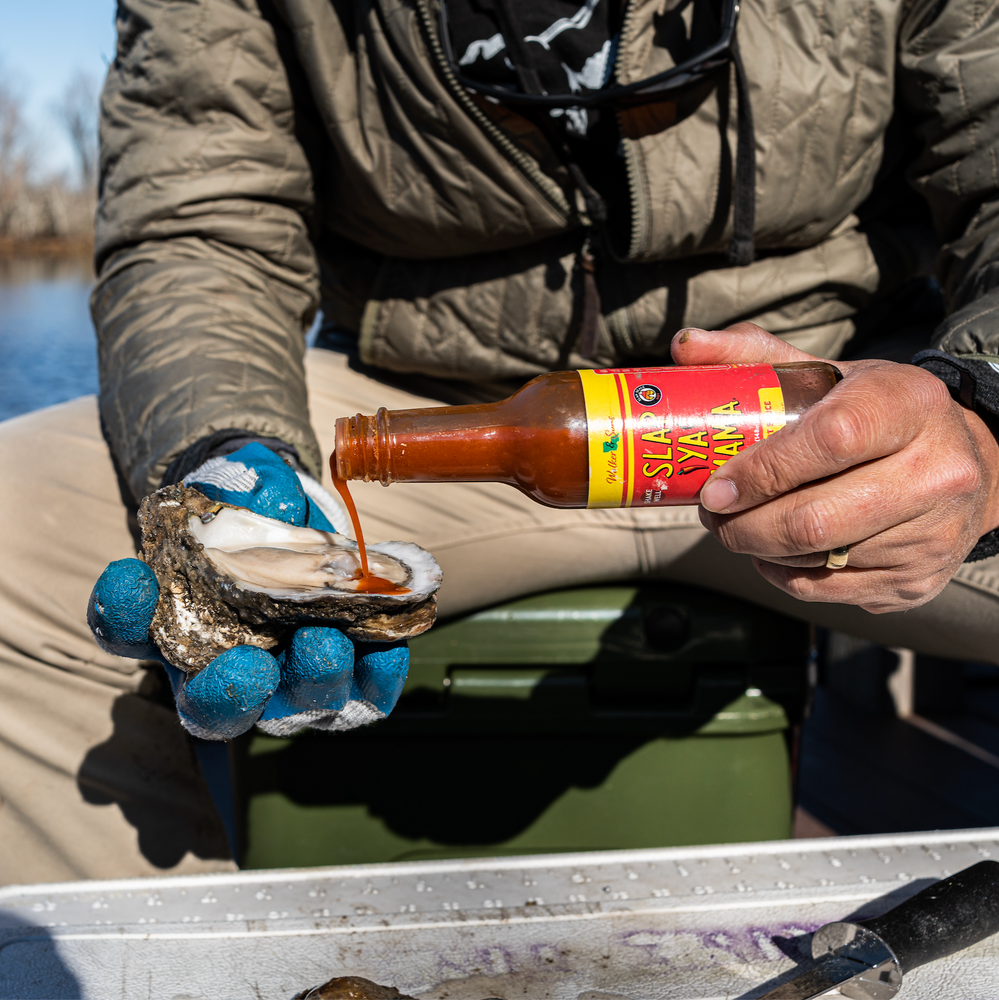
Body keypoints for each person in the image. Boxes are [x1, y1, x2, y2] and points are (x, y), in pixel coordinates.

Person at [1, 0, 998, 884]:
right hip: (436, 397)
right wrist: (221, 454)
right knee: (17, 534)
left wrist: (981, 414)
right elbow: (201, 225)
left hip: (827, 401)